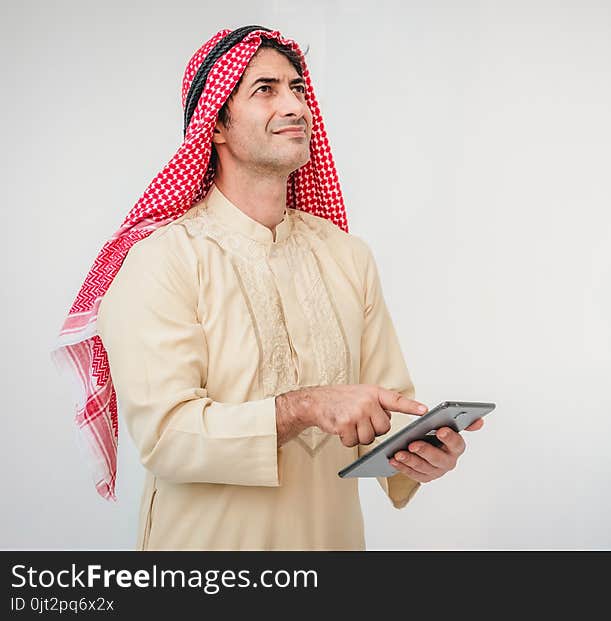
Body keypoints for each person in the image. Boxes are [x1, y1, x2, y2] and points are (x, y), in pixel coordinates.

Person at [51, 25, 483, 550]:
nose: (295, 105)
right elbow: (168, 438)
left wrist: (420, 455)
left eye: (298, 88)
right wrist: (303, 406)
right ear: (216, 126)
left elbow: (386, 413)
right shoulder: (162, 260)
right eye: (265, 89)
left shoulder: (347, 256)